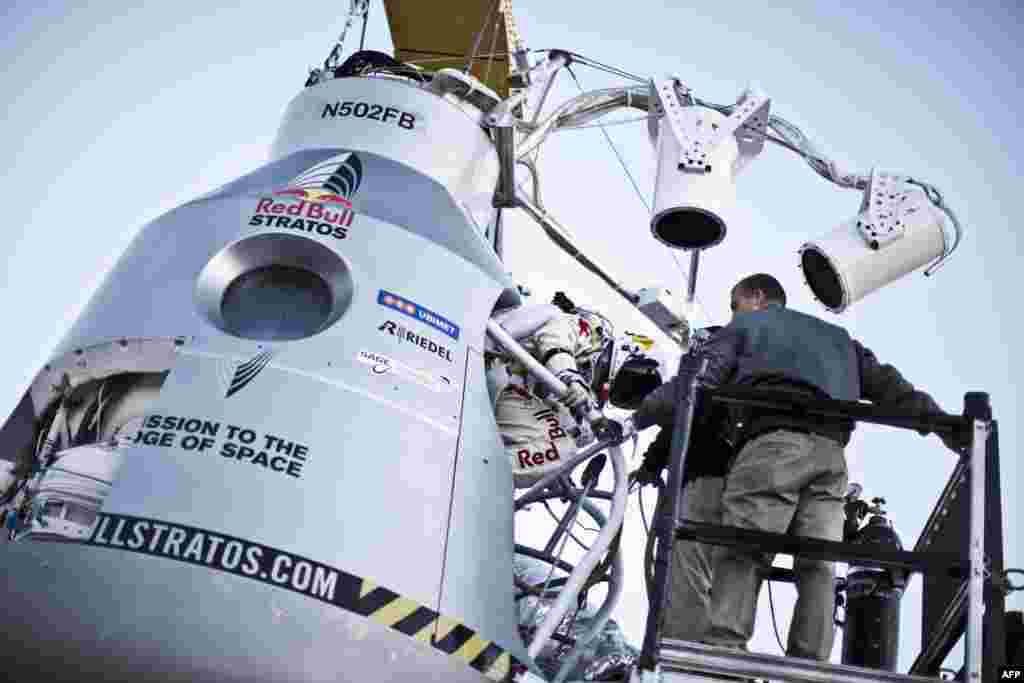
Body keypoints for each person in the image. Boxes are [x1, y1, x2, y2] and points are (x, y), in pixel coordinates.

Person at [643, 273, 959, 661]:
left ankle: (722, 653)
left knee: (744, 549)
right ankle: (810, 662)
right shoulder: (841, 340)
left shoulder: (746, 325)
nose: (731, 313)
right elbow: (894, 389)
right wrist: (946, 427)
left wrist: (637, 416)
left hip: (772, 446)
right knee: (818, 563)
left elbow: (695, 381)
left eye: (733, 303)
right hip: (831, 458)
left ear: (756, 297)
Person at [631, 325, 735, 643]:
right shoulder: (736, 384)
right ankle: (714, 643)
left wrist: (650, 465)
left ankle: (682, 646)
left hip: (705, 480)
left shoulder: (705, 384)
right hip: (736, 486)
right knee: (719, 572)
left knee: (688, 564)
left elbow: (680, 424)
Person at [492, 292, 611, 487]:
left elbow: (568, 431)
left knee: (561, 451)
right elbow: (554, 342)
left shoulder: (583, 389)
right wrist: (570, 377)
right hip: (498, 371)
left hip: (505, 390)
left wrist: (559, 473)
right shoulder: (581, 329)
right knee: (562, 450)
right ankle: (476, 469)